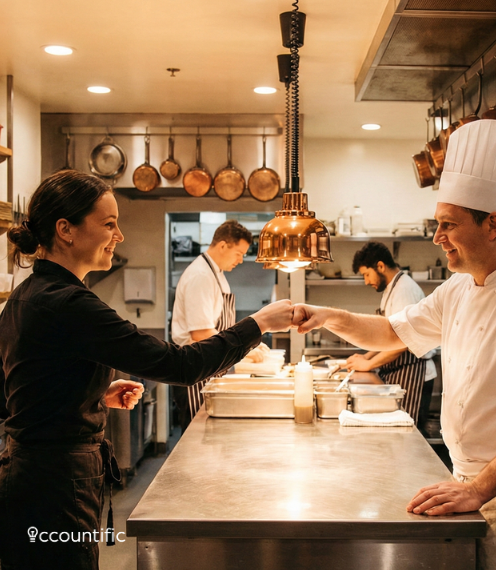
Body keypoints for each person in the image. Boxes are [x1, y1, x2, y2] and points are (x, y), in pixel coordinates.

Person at [293, 120, 496, 569]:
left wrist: (479, 489)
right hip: (465, 479)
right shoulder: (460, 288)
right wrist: (326, 315)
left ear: (491, 224)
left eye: (447, 225)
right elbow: (392, 332)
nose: (436, 237)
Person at [0, 171, 294, 570]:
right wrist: (258, 323)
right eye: (109, 224)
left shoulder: (26, 294)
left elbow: (11, 392)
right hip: (57, 488)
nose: (119, 235)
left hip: (27, 478)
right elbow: (180, 364)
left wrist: (85, 392)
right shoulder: (71, 303)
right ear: (65, 230)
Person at [170, 220, 257, 430]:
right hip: (194, 372)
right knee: (195, 439)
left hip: (207, 367)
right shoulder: (201, 275)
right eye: (239, 253)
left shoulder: (215, 274)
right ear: (223, 246)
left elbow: (217, 326)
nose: (241, 260)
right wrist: (243, 347)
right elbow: (200, 333)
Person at [345, 241, 436, 424]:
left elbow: (402, 343)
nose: (367, 281)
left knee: (409, 435)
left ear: (380, 266)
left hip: (413, 372)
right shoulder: (391, 289)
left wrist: (368, 365)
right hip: (400, 370)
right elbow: (387, 335)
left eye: (367, 274)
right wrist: (365, 357)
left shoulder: (404, 290)